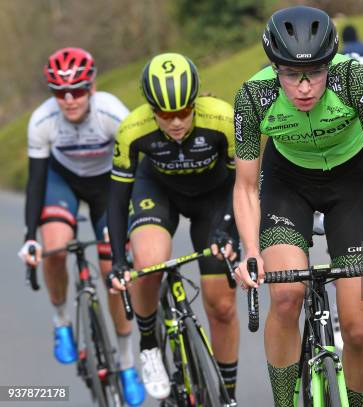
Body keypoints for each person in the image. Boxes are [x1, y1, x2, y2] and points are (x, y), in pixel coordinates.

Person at [231, 6, 363, 406]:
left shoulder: (353, 79)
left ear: (331, 64)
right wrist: (251, 250)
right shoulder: (253, 96)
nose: (305, 87)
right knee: (287, 295)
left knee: (360, 329)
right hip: (288, 183)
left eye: (315, 73)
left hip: (351, 183)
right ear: (275, 68)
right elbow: (244, 187)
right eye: (291, 74)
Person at [106, 53, 240, 401]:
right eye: (166, 115)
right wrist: (119, 258)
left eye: (184, 111)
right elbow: (118, 199)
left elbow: (245, 182)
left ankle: (226, 390)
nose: (177, 122)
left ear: (196, 102)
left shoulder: (222, 119)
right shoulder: (133, 129)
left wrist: (229, 228)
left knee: (222, 306)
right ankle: (149, 345)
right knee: (149, 264)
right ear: (151, 109)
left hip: (214, 198)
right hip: (158, 191)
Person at [18, 47, 145, 406]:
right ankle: (61, 322)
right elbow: (36, 182)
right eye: (60, 92)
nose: (69, 99)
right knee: (55, 246)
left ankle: (126, 361)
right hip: (63, 181)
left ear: (92, 87)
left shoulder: (110, 111)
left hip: (109, 184)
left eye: (77, 90)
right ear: (52, 94)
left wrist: (124, 225)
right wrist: (30, 238)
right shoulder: (42, 121)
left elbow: (136, 171)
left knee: (113, 269)